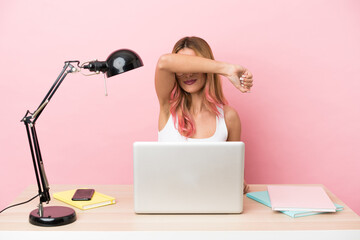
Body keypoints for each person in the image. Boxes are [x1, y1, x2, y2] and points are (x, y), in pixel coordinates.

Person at [155, 36, 253, 192]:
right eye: (183, 66)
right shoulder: (167, 109)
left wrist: (239, 183)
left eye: (194, 65)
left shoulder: (229, 117)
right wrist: (227, 69)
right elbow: (164, 62)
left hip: (213, 203)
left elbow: (234, 173)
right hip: (169, 203)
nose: (187, 74)